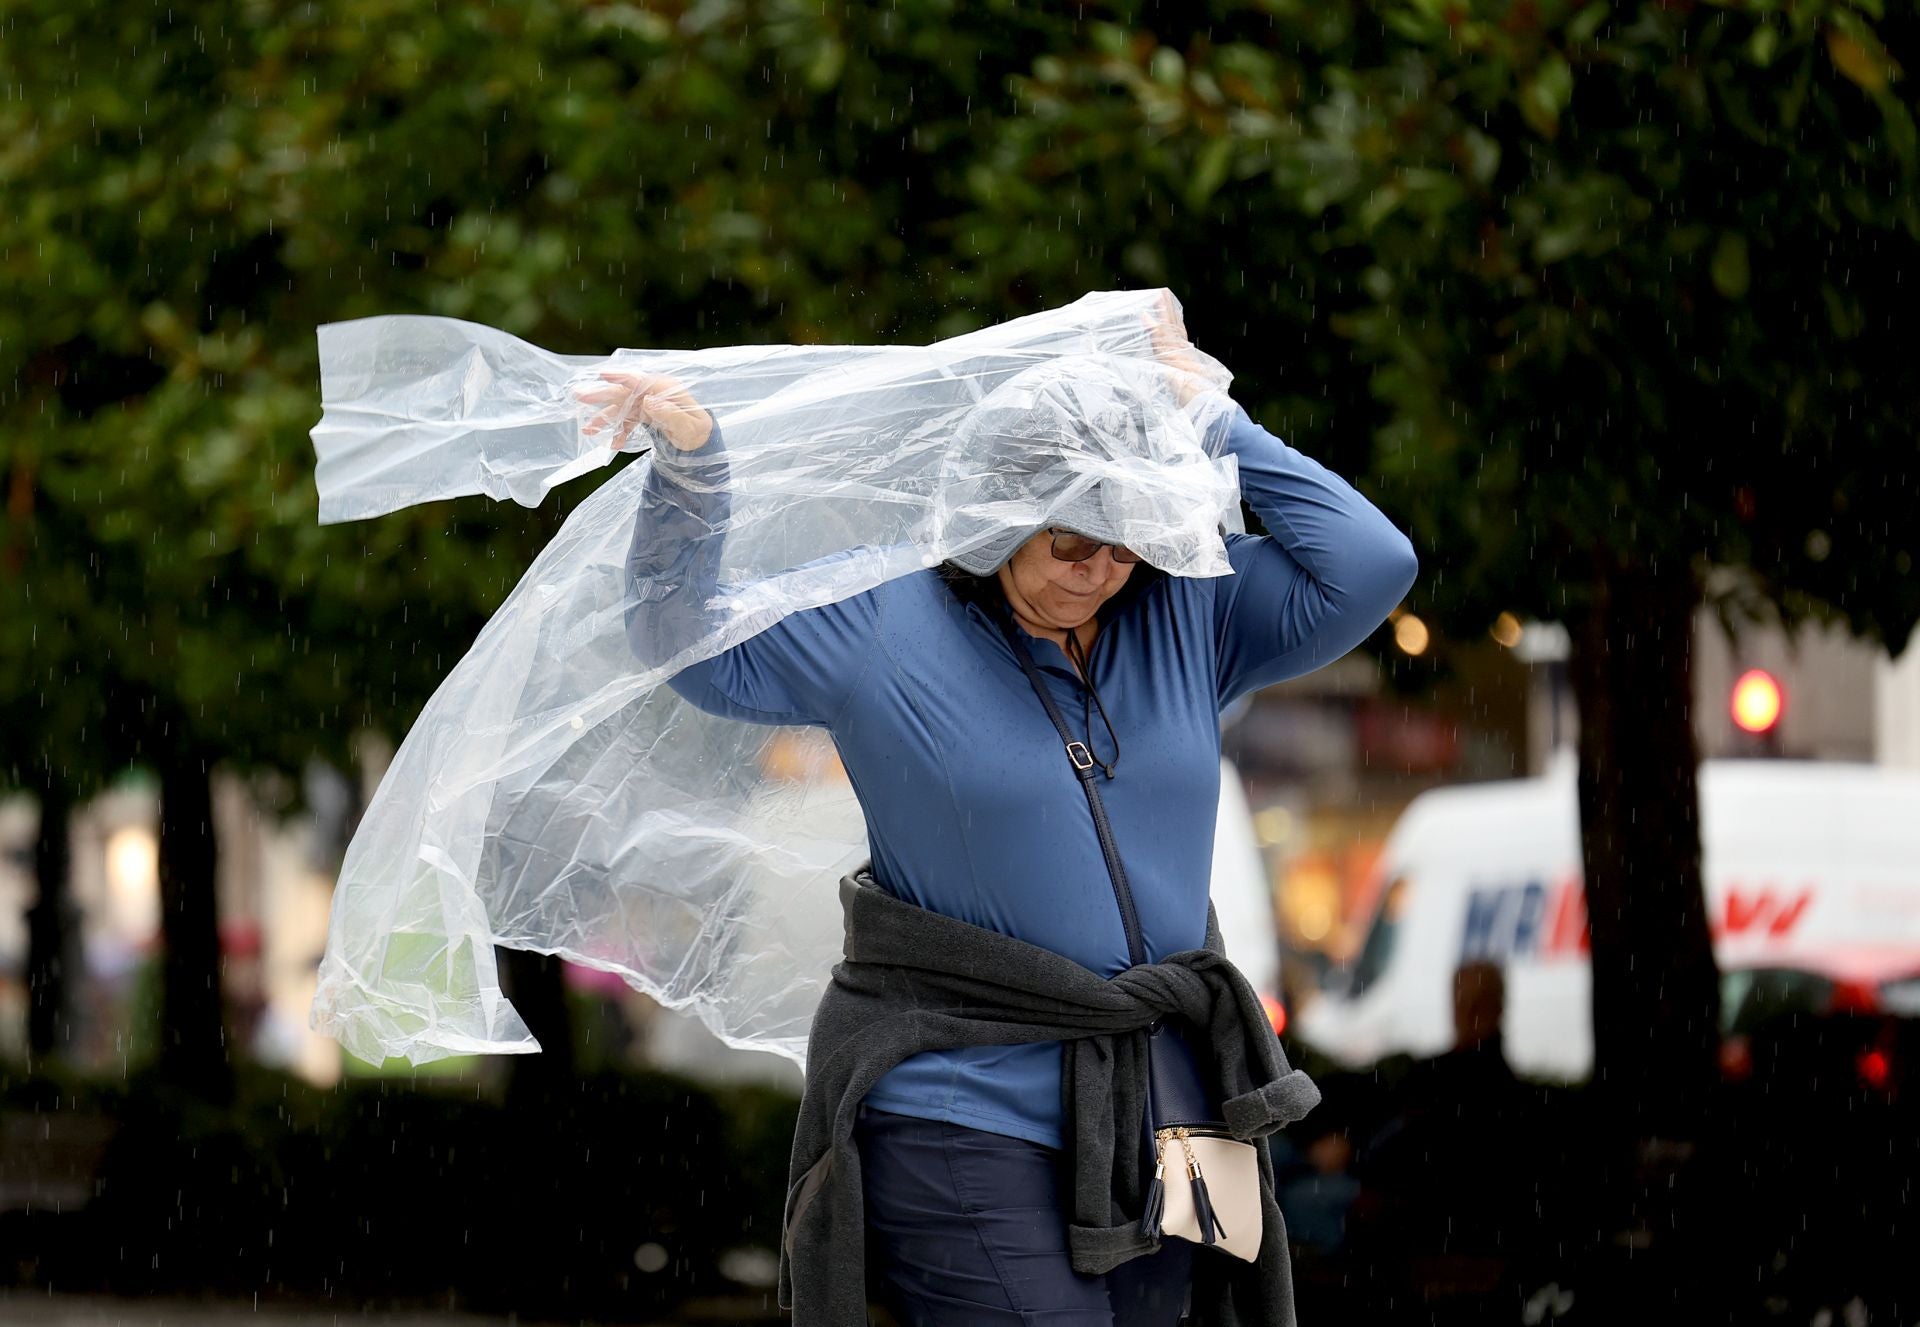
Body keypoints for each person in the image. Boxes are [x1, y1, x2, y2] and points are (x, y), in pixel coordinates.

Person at [589, 303, 1418, 1326]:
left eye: (1130, 540)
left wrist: (1211, 422)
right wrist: (692, 473)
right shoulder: (882, 624)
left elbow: (1373, 563)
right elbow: (684, 640)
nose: (1100, 568)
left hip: (1187, 1107)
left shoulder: (1188, 610)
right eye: (1073, 535)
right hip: (967, 1110)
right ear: (997, 515)